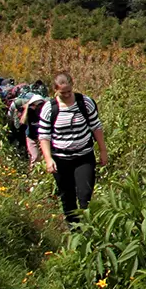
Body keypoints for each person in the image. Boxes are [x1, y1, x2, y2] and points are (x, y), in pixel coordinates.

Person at [36, 72, 106, 226]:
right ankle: (74, 231)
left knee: (85, 195)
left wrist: (102, 150)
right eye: (63, 93)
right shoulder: (49, 108)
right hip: (61, 159)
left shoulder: (85, 103)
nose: (67, 95)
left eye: (69, 91)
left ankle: (88, 227)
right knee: (67, 197)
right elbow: (44, 136)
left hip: (83, 156)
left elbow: (96, 127)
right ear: (55, 90)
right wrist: (48, 159)